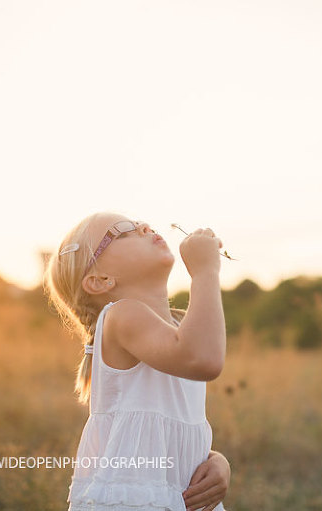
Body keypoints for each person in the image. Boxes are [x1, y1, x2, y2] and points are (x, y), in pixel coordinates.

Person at [44, 212, 230, 511]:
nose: (144, 226)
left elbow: (166, 432)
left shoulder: (177, 328)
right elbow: (205, 360)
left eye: (139, 223)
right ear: (100, 280)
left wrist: (215, 460)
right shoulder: (122, 316)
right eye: (123, 231)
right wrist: (206, 270)